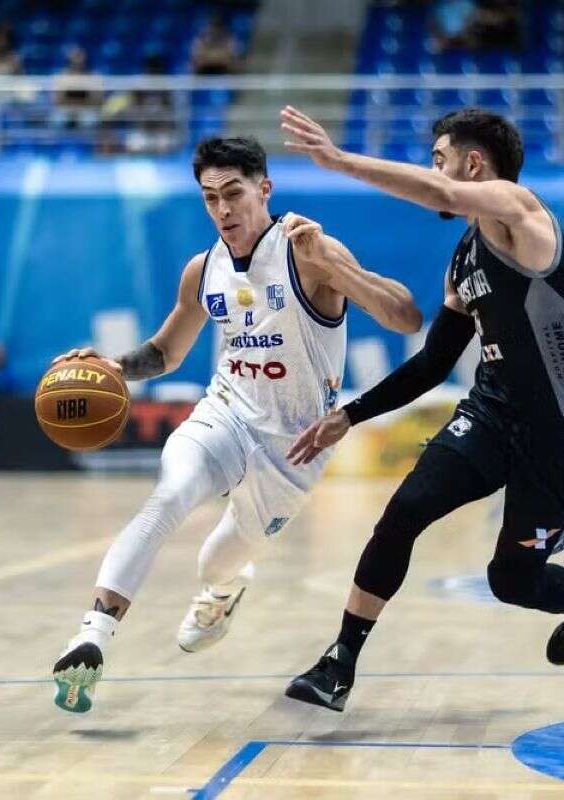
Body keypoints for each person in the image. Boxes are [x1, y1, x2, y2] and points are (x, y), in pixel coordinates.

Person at [50, 136, 422, 714]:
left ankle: (223, 589)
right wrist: (109, 367)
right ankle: (92, 635)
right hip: (224, 413)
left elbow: (405, 315)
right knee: (169, 495)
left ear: (264, 189)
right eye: (209, 198)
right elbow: (166, 353)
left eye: (234, 193)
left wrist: (338, 267)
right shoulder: (204, 270)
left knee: (216, 561)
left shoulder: (307, 250)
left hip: (293, 447)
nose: (223, 210)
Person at [279, 105, 564, 712]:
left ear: (473, 164)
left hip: (561, 436)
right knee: (405, 510)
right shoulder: (464, 260)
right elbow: (434, 362)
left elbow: (438, 190)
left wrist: (336, 161)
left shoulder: (523, 213)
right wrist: (350, 415)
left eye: (438, 159)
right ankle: (339, 663)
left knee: (510, 582)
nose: (431, 172)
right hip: (491, 414)